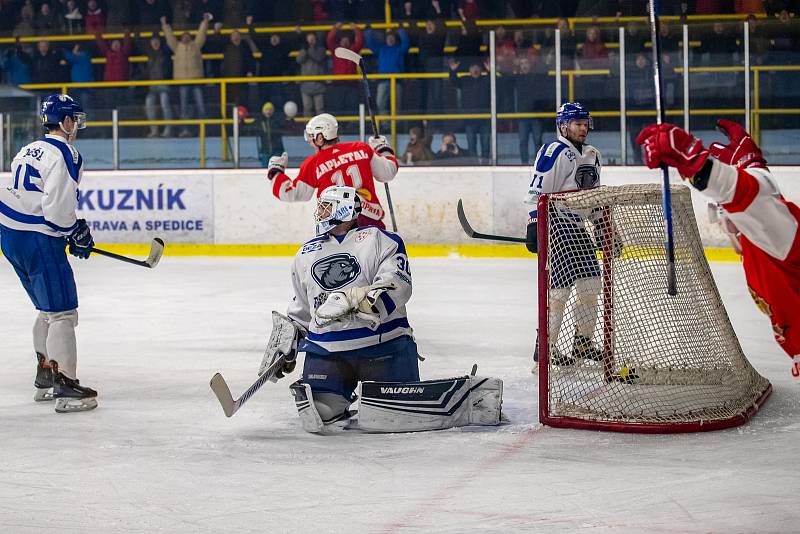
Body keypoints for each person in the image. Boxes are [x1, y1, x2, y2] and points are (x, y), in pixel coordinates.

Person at [258, 185, 503, 433]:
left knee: (394, 416)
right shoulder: (305, 253)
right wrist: (286, 342)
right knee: (320, 414)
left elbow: (398, 284)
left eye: (325, 207)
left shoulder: (380, 239)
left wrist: (361, 301)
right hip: (327, 352)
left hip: (382, 347)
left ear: (343, 209)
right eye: (319, 207)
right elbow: (302, 308)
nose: (319, 213)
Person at [636, 120, 800, 379]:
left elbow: (750, 198)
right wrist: (751, 163)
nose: (724, 222)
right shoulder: (771, 236)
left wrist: (698, 164)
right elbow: (762, 198)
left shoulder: (777, 238)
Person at [0, 94, 97, 413]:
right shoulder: (67, 153)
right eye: (75, 121)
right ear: (66, 121)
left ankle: (45, 374)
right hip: (39, 239)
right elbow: (57, 210)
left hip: (10, 235)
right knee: (63, 314)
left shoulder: (28, 148)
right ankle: (65, 385)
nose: (77, 128)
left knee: (46, 309)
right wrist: (74, 231)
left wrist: (69, 228)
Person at [523, 102, 612, 369]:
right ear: (563, 126)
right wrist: (534, 224)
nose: (583, 129)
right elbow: (537, 191)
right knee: (559, 292)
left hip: (578, 227)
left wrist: (602, 226)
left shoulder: (593, 154)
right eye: (577, 124)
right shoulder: (554, 151)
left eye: (585, 124)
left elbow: (592, 196)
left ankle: (582, 342)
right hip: (558, 225)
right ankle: (545, 349)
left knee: (591, 285)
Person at [266, 113, 398, 229]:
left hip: (337, 227)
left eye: (312, 137)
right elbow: (388, 172)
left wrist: (276, 171)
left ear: (320, 138)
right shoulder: (362, 148)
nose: (310, 142)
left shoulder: (313, 163)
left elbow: (292, 194)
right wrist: (382, 148)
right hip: (370, 220)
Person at [161, 14, 210, 138]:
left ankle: (203, 130)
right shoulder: (177, 47)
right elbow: (169, 38)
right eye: (183, 36)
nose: (185, 38)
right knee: (184, 107)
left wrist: (205, 21)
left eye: (187, 36)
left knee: (201, 106)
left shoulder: (196, 46)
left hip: (196, 80)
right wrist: (165, 25)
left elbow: (201, 34)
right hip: (182, 81)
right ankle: (185, 130)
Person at [253, 101, 285, 167]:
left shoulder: (277, 121)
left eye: (270, 109)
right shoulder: (260, 121)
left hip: (276, 150)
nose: (268, 111)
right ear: (263, 111)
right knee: (265, 169)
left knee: (276, 169)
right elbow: (250, 128)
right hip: (265, 150)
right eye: (266, 109)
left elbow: (285, 126)